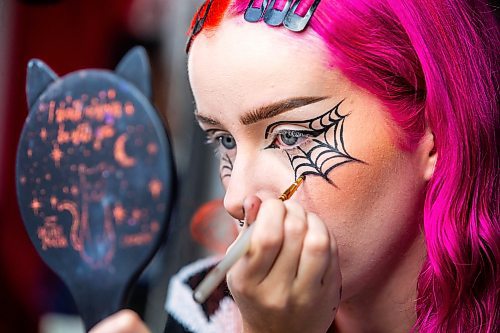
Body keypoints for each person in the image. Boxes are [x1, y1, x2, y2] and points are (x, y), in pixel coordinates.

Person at [90, 0, 499, 332]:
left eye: (290, 136)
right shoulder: (206, 313)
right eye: (225, 140)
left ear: (435, 132)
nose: (236, 198)